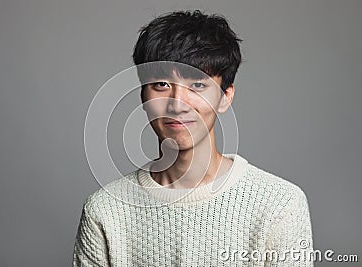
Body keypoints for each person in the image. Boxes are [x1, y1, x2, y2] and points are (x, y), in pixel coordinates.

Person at [73, 10, 313, 266]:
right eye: (161, 85)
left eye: (197, 85)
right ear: (142, 96)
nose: (178, 104)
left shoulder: (279, 204)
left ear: (225, 97)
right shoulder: (105, 211)